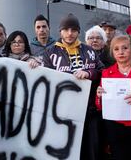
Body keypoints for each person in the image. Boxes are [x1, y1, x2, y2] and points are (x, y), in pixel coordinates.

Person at [43, 13, 104, 160]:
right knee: (68, 151)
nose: (70, 33)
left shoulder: (89, 50)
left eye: (74, 30)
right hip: (63, 112)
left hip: (90, 110)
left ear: (78, 31)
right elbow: (46, 79)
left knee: (93, 150)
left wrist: (89, 73)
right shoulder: (50, 52)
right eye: (66, 29)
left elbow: (102, 71)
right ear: (60, 31)